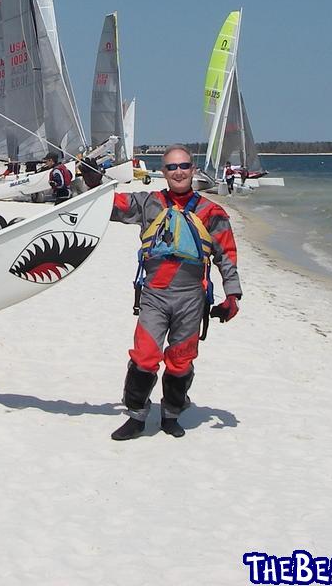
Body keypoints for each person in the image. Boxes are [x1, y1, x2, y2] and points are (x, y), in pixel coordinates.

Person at [108, 144, 241, 441]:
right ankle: (136, 416)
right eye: (171, 167)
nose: (178, 172)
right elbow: (108, 205)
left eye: (184, 166)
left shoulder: (211, 212)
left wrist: (232, 295)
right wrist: (88, 183)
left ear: (193, 170)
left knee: (181, 360)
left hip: (192, 298)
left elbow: (226, 255)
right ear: (163, 172)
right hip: (154, 295)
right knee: (144, 356)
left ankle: (170, 414)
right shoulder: (148, 203)